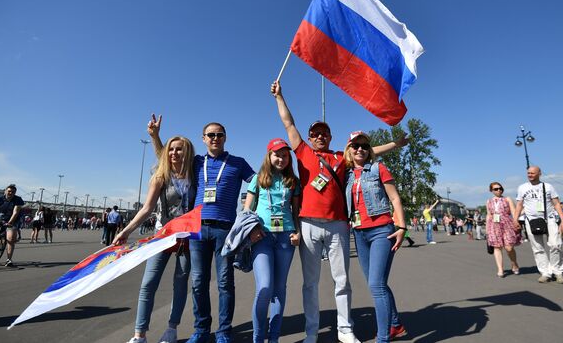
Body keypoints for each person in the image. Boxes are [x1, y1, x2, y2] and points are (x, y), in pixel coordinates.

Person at [270, 81, 405, 343]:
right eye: (316, 134)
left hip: (338, 225)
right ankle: (311, 331)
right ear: (310, 138)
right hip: (308, 223)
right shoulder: (303, 153)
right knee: (310, 283)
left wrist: (394, 144)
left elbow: (367, 152)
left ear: (330, 137)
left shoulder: (340, 157)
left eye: (324, 133)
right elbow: (289, 124)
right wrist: (279, 97)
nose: (320, 136)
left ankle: (345, 329)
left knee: (342, 280)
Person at [148, 115, 255, 343]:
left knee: (225, 282)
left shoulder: (238, 162)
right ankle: (202, 330)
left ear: (225, 138)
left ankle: (224, 331)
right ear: (203, 139)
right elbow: (167, 160)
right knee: (198, 282)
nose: (215, 138)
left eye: (219, 135)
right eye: (211, 135)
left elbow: (257, 183)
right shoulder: (196, 162)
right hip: (197, 230)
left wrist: (249, 214)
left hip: (225, 230)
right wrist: (156, 137)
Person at [114, 136, 196, 343]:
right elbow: (147, 208)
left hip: (188, 238)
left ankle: (171, 329)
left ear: (187, 152)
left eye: (179, 149)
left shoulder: (196, 174)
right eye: (171, 150)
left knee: (180, 284)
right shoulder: (161, 176)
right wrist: (126, 231)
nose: (174, 153)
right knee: (148, 284)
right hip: (163, 236)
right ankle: (139, 335)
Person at [344, 131, 408, 342]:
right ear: (349, 149)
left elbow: (394, 198)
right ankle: (396, 325)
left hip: (382, 231)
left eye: (364, 145)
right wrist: (395, 144)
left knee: (375, 285)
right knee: (379, 283)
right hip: (359, 233)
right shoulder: (347, 173)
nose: (360, 149)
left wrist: (401, 226)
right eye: (355, 145)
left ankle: (383, 338)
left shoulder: (378, 168)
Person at [242, 138, 301, 343]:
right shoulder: (257, 179)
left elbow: (296, 211)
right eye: (277, 154)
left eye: (285, 155)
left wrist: (298, 231)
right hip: (262, 236)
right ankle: (258, 338)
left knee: (279, 289)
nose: (281, 159)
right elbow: (247, 210)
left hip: (286, 237)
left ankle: (274, 337)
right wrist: (251, 230)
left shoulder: (293, 181)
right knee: (265, 287)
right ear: (269, 156)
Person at [513, 166, 563, 284]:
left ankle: (558, 272)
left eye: (533, 173)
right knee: (538, 248)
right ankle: (545, 272)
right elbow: (519, 205)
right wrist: (515, 219)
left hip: (549, 219)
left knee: (555, 245)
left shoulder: (548, 187)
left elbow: (557, 204)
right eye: (528, 173)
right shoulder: (522, 187)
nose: (530, 175)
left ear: (540, 173)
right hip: (531, 220)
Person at [485, 182, 521, 277]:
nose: (499, 190)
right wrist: (487, 230)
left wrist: (516, 222)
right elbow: (489, 215)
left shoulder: (507, 199)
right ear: (491, 190)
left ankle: (514, 263)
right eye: (496, 189)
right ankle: (500, 269)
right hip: (494, 225)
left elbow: (513, 211)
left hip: (507, 224)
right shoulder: (489, 201)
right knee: (497, 247)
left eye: (500, 188)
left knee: (509, 247)